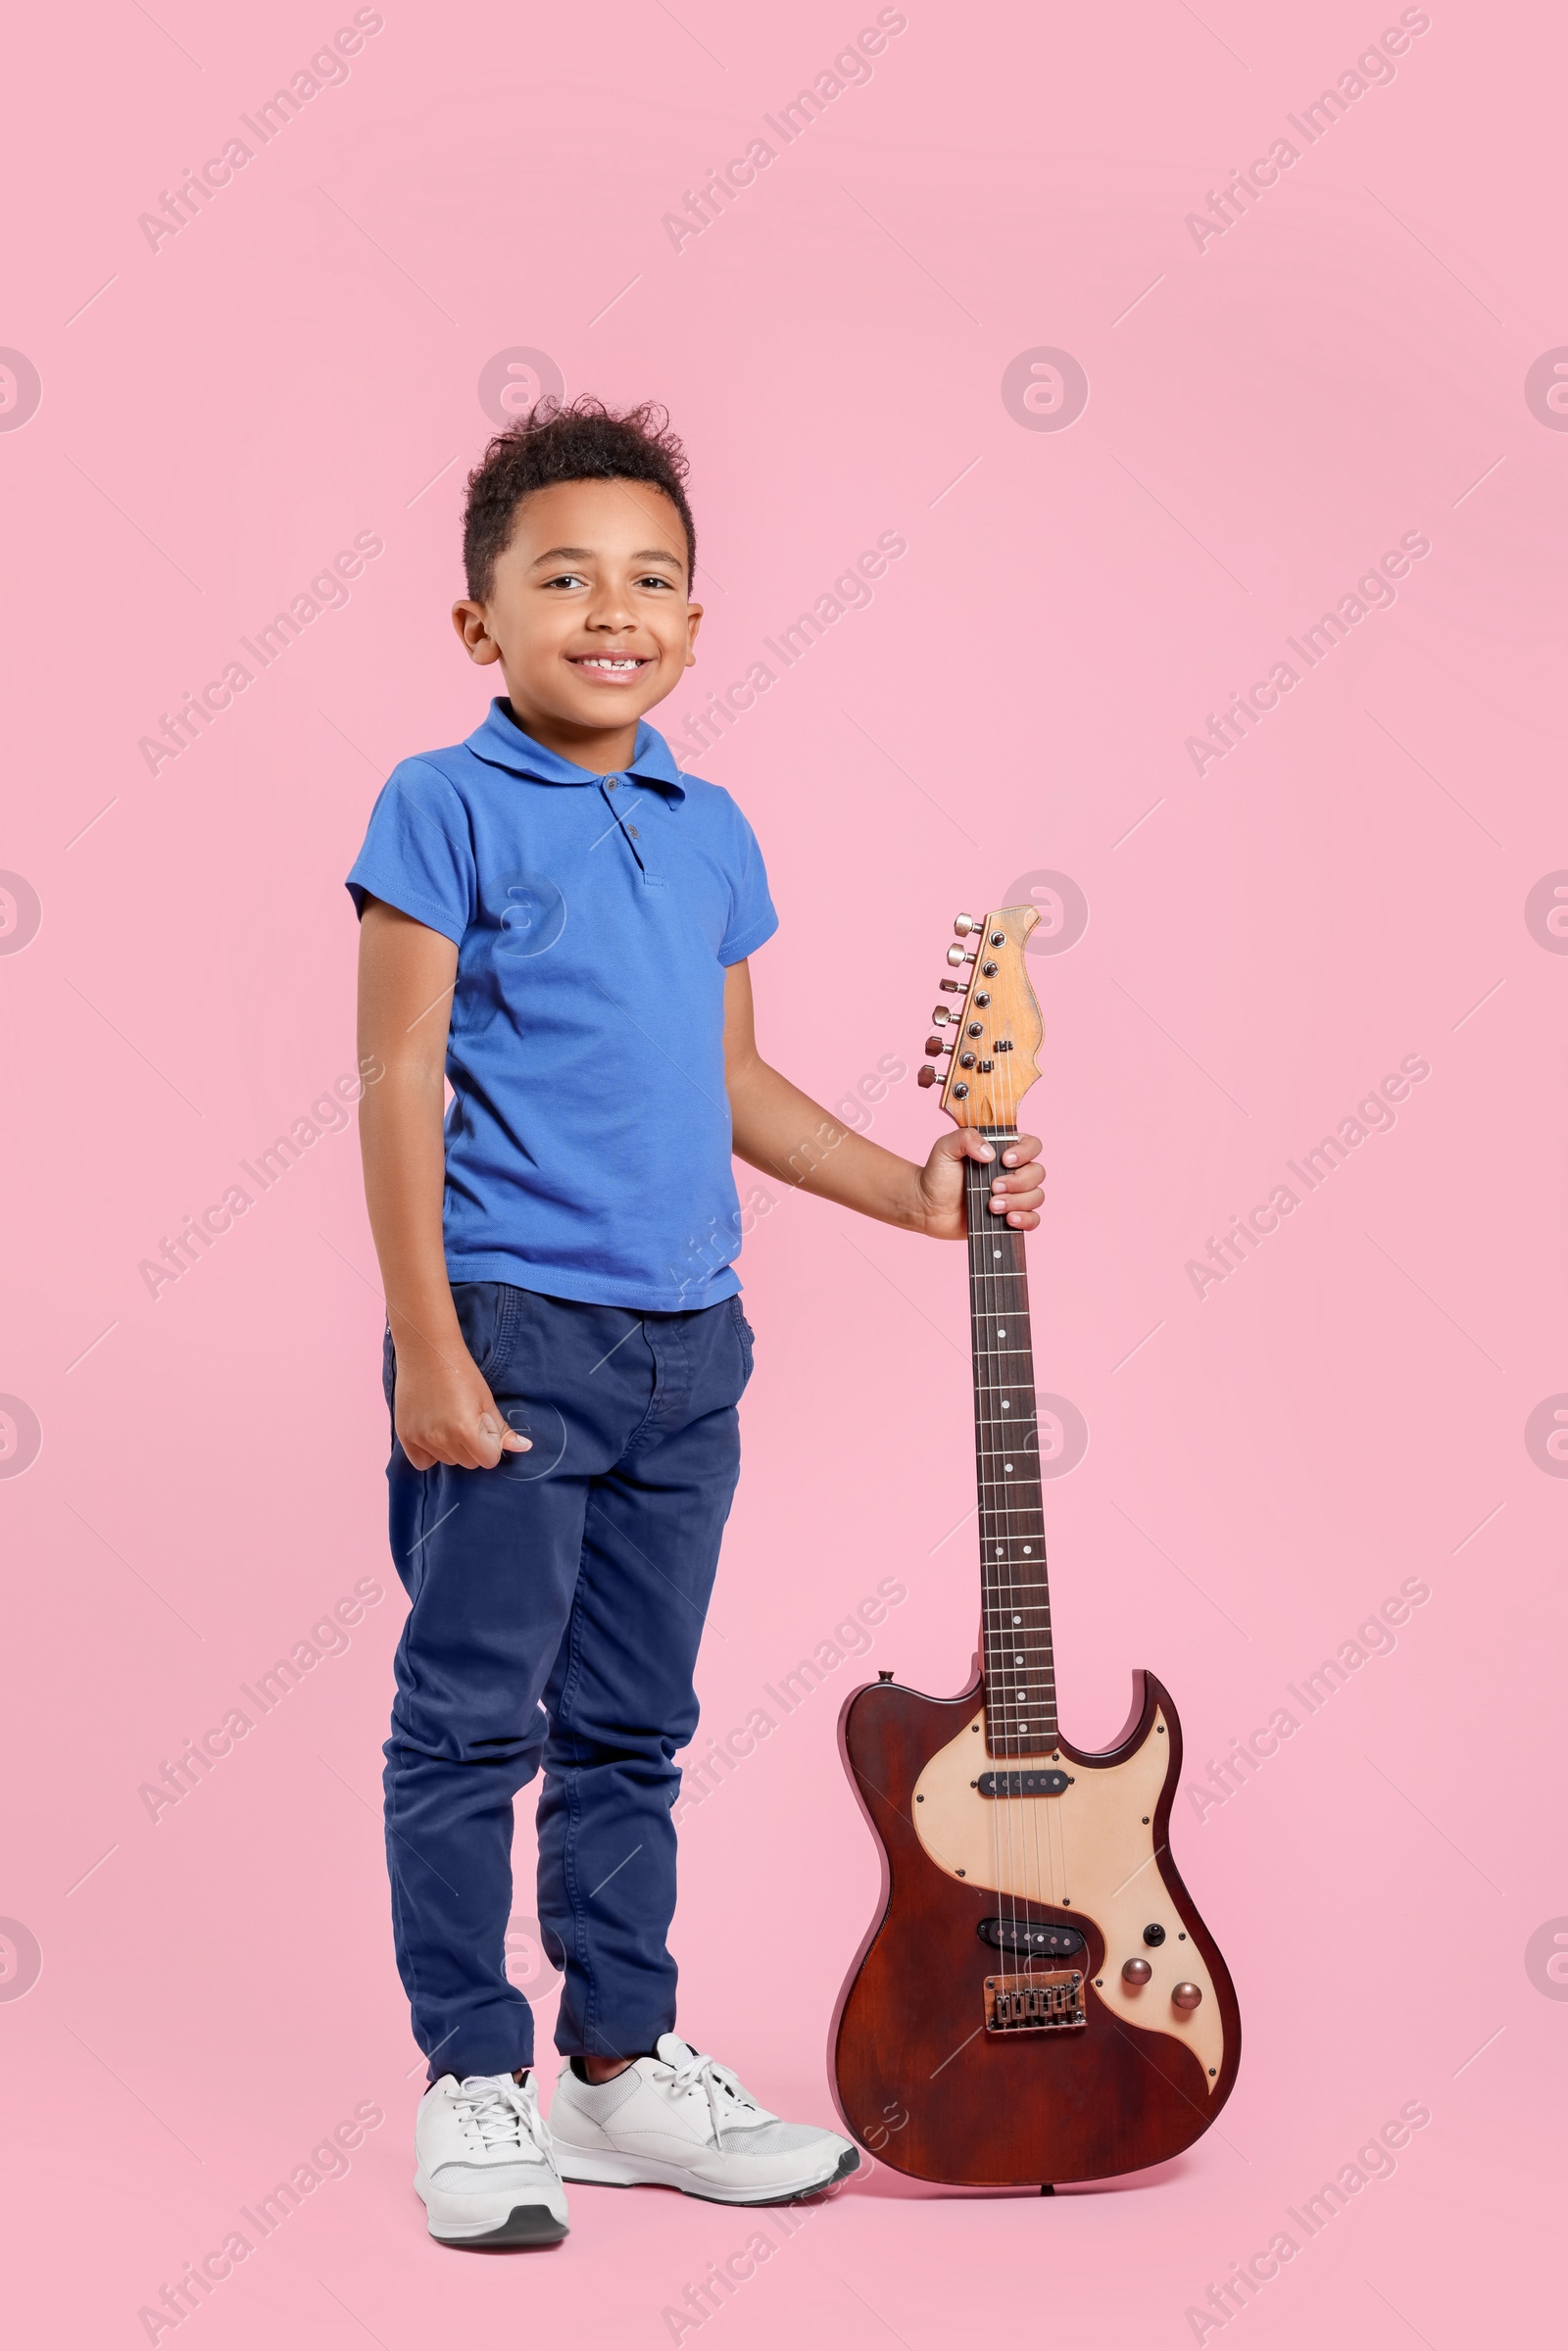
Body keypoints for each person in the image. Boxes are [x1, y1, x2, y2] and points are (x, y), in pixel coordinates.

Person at [346, 398, 1045, 2246]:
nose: (612, 606)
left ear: (697, 621)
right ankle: (472, 2080)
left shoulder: (709, 822)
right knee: (470, 1721)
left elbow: (730, 1074)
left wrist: (914, 1190)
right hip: (511, 1333)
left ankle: (618, 2068)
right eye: (561, 573)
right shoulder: (441, 804)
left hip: (688, 1347)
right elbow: (397, 1070)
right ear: (477, 623)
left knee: (636, 1728)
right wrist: (429, 1340)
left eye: (652, 577)